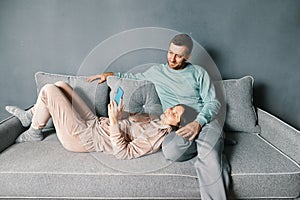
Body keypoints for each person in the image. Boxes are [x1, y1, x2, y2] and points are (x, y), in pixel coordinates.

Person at [87, 34, 230, 199]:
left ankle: (211, 149)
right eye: (170, 53)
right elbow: (133, 78)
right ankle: (214, 148)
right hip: (177, 125)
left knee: (208, 155)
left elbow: (213, 103)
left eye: (179, 56)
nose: (173, 59)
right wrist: (109, 74)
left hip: (204, 122)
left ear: (188, 56)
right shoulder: (157, 72)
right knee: (170, 151)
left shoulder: (199, 73)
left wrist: (198, 123)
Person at [5, 81, 198, 160]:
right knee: (61, 85)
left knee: (48, 90)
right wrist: (121, 113)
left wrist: (114, 122)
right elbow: (127, 122)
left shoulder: (158, 136)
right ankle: (30, 116)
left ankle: (34, 130)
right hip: (95, 122)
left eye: (175, 114)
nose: (170, 110)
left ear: (177, 125)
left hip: (84, 137)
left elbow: (124, 153)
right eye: (173, 107)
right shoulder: (154, 118)